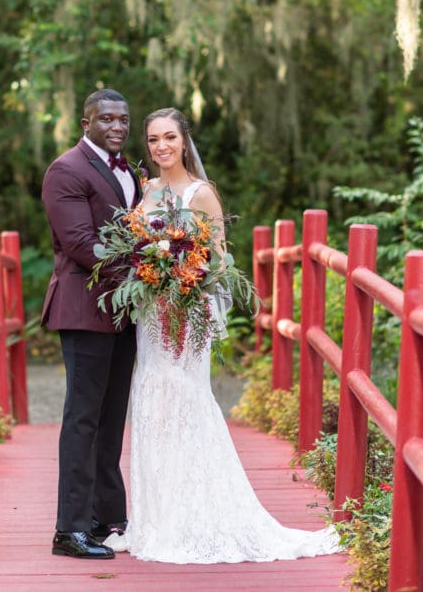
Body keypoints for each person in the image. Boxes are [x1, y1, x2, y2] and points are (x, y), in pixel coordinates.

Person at [103, 107, 341, 563]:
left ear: (184, 139)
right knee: (151, 399)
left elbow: (216, 261)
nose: (160, 147)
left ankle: (199, 513)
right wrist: (152, 271)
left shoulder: (202, 193)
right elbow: (134, 248)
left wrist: (182, 278)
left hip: (186, 312)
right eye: (153, 140)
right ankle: (157, 517)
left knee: (185, 399)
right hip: (152, 312)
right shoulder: (146, 190)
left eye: (169, 137)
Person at [40, 89, 142, 560]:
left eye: (122, 119)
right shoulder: (66, 170)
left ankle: (107, 517)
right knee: (82, 419)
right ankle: (70, 529)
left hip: (124, 313)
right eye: (106, 119)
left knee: (111, 417)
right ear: (86, 123)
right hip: (84, 310)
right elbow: (81, 244)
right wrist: (147, 273)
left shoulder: (130, 173)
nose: (116, 126)